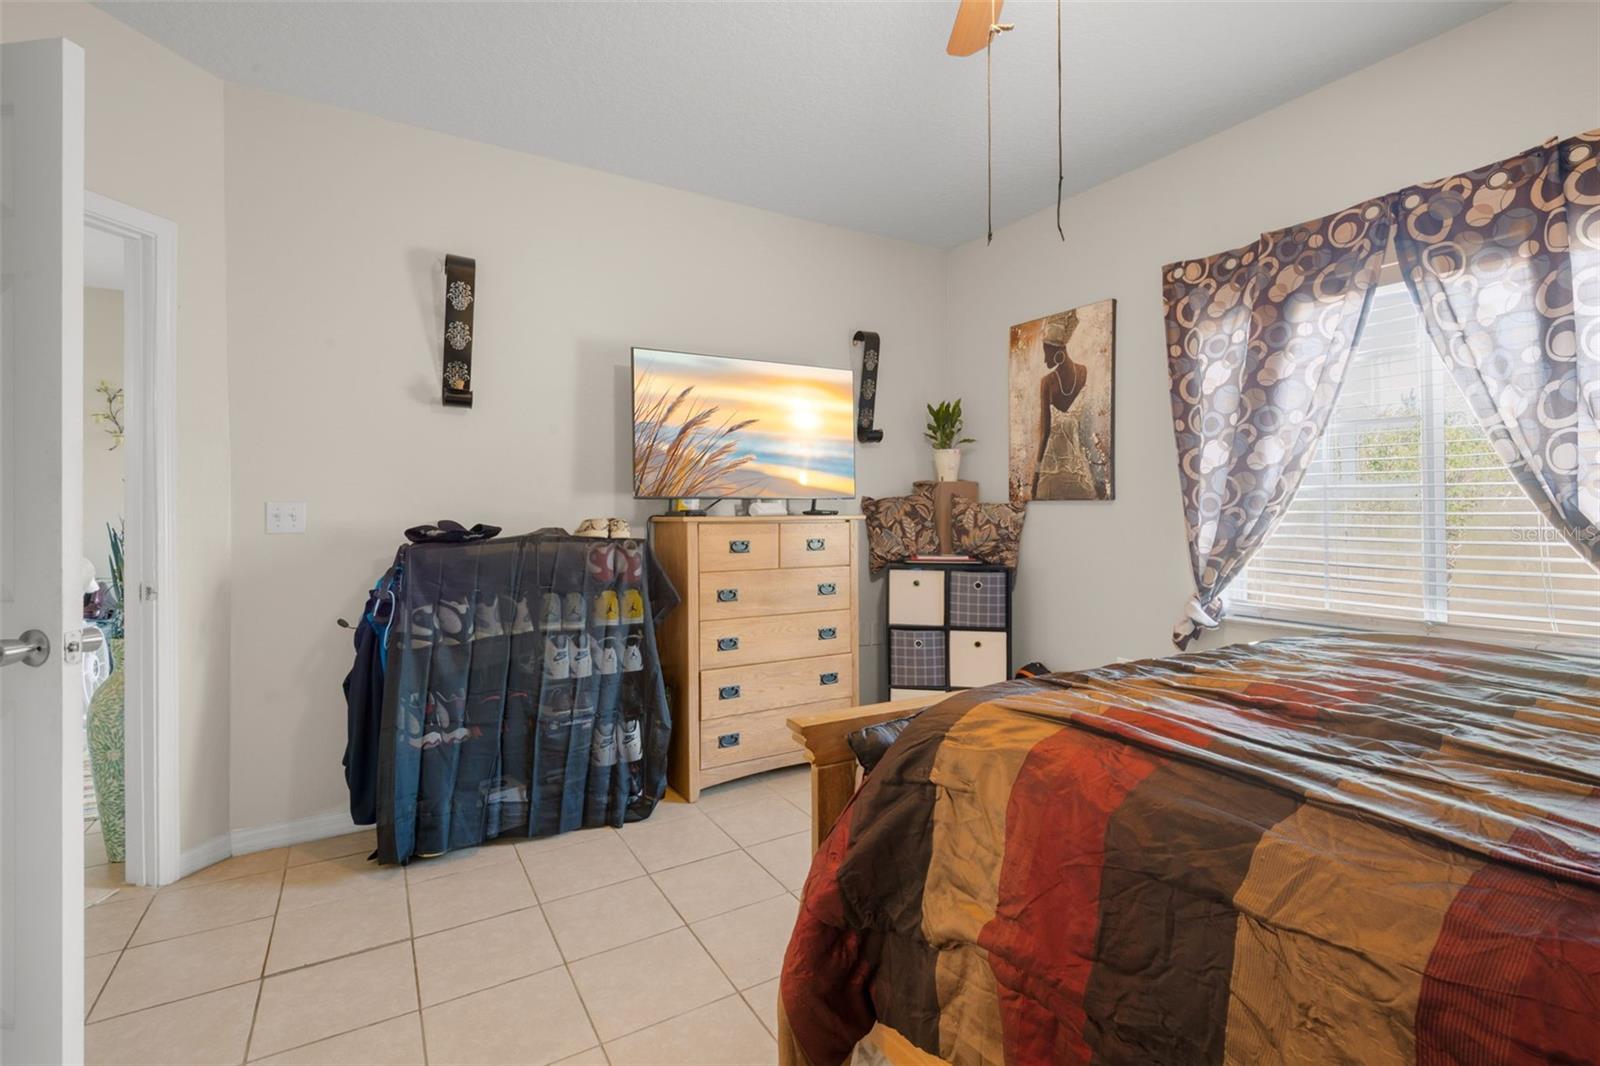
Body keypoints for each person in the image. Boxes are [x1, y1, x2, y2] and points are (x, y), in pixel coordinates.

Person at [1031, 310, 1088, 498]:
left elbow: (1045, 433)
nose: (1045, 360)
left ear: (1060, 353)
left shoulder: (1048, 382)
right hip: (1064, 470)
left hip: (1070, 471)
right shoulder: (1082, 373)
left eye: (1047, 353)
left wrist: (1035, 479)